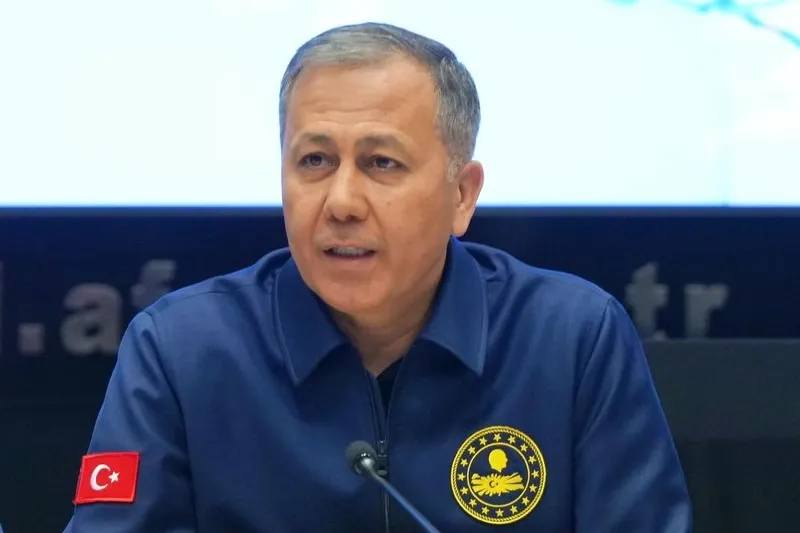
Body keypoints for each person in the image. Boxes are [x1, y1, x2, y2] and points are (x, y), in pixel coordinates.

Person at [63, 22, 692, 532]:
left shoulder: (572, 339)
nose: (340, 202)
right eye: (314, 160)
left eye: (381, 163)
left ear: (462, 194)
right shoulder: (182, 349)